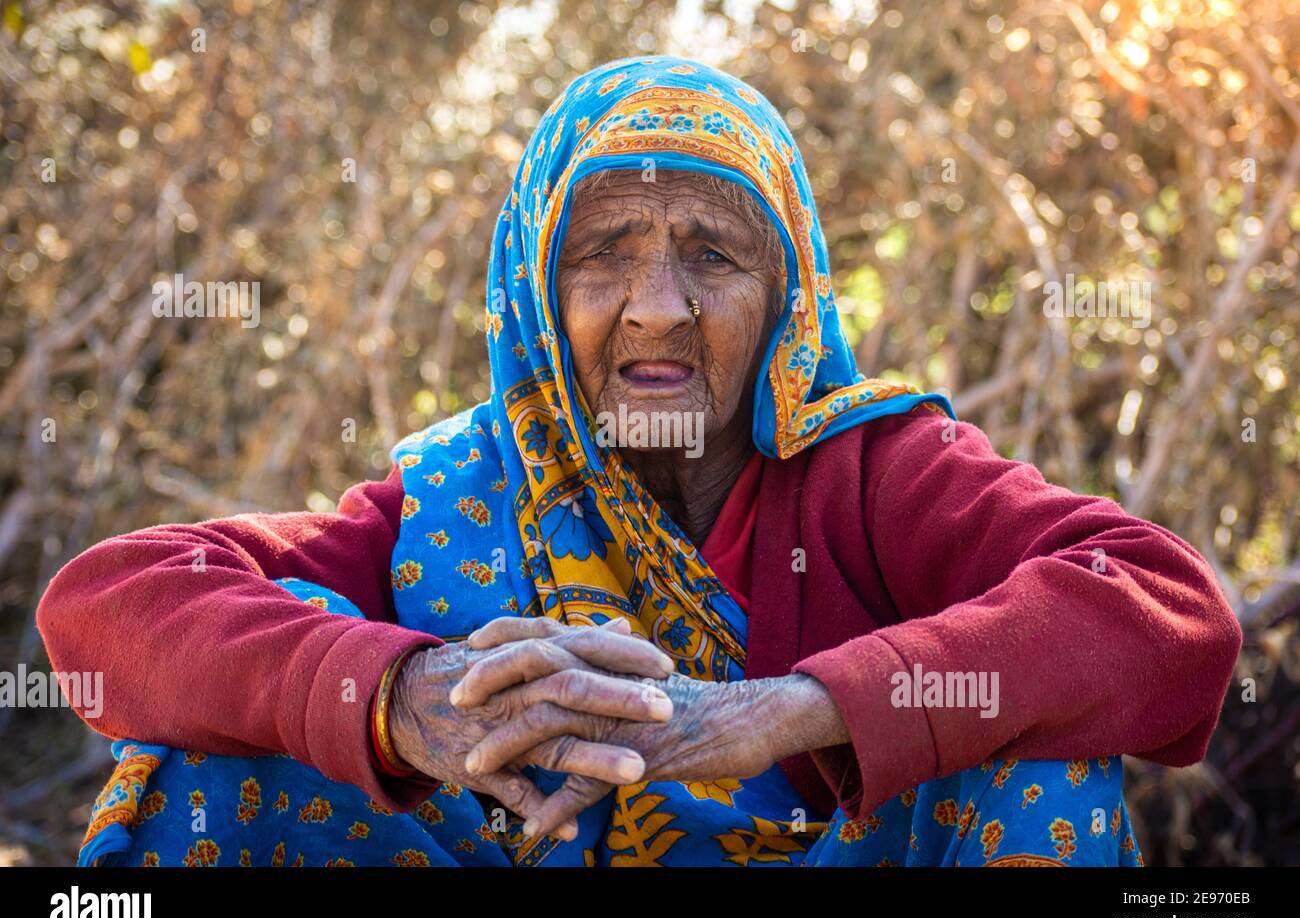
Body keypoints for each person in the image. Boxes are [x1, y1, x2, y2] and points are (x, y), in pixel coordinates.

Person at [37, 56, 1241, 867]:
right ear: (532, 291)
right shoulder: (456, 497)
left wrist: (797, 708)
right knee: (196, 757)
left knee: (1042, 773)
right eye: (605, 250)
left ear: (785, 299)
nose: (658, 308)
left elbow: (1166, 603)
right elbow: (107, 605)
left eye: (712, 254)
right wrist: (403, 699)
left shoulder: (869, 470)